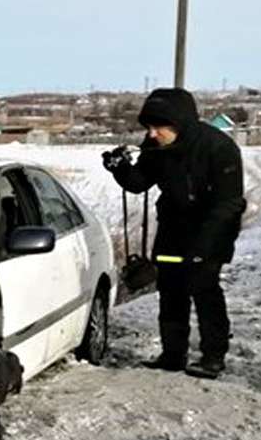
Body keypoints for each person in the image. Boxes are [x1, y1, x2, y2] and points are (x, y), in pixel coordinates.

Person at [102, 87, 246, 379]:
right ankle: (172, 354)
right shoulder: (155, 146)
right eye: (149, 127)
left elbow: (229, 204)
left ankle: (213, 356)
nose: (152, 134)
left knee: (205, 290)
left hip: (212, 229)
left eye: (159, 127)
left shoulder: (219, 147)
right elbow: (139, 182)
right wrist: (119, 169)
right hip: (173, 227)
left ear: (180, 124)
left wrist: (205, 247)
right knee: (170, 292)